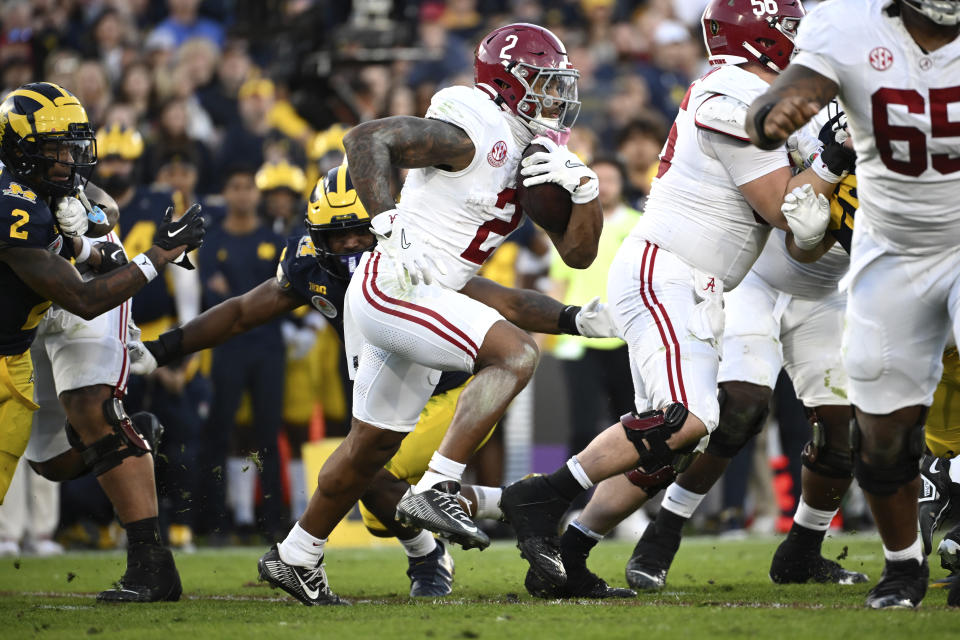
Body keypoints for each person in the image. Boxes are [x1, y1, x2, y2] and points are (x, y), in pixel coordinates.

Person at [130, 164, 618, 602]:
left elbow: (503, 302)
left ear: (384, 227)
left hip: (455, 393)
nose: (346, 247)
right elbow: (240, 312)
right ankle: (487, 519)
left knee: (366, 471)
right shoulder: (310, 265)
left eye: (357, 235)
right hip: (384, 384)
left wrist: (572, 319)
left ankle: (470, 525)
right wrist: (162, 349)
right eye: (334, 236)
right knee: (369, 496)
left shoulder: (411, 253)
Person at [497, 0, 856, 593]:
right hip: (670, 271)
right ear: (759, 34)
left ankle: (569, 554)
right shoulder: (733, 95)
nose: (800, 40)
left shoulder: (751, 91)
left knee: (665, 450)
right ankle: (540, 496)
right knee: (688, 420)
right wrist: (831, 157)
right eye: (789, 28)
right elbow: (783, 211)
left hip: (698, 280)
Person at [744, 0, 960, 610]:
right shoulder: (847, 22)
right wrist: (775, 111)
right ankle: (902, 568)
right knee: (883, 433)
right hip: (891, 250)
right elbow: (789, 97)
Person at [0, 82, 205, 602]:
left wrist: (90, 230)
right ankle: (131, 438)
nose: (69, 160)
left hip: (89, 285)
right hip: (40, 297)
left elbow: (106, 210)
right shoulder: (11, 205)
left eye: (73, 147)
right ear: (18, 148)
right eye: (56, 149)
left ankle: (151, 565)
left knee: (92, 408)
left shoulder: (51, 192)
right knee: (49, 461)